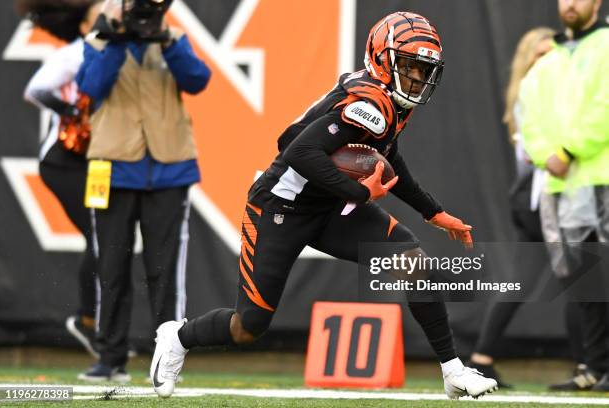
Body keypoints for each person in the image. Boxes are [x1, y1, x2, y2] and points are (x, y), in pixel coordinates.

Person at [150, 11, 498, 400]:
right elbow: (297, 150)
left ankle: (452, 370)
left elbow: (387, 156)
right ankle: (177, 338)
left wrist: (432, 210)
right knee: (249, 326)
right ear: (383, 58)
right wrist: (359, 194)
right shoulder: (372, 103)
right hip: (280, 208)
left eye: (423, 69)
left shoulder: (390, 103)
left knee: (412, 261)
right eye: (410, 66)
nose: (417, 77)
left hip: (329, 207)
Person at [75, 0, 212, 381]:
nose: (140, 15)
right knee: (111, 265)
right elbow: (91, 86)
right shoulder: (98, 40)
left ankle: (168, 357)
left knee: (165, 270)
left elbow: (198, 80)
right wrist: (113, 37)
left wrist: (167, 40)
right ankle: (110, 356)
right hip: (112, 168)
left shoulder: (174, 38)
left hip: (169, 169)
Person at [467, 27, 566, 387]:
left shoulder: (546, 94)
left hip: (539, 199)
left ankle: (481, 357)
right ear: (528, 61)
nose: (547, 62)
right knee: (584, 277)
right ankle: (592, 366)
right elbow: (537, 156)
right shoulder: (531, 99)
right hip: (539, 200)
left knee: (525, 281)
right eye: (539, 56)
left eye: (551, 55)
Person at [519, 0, 609, 391]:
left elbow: (604, 107)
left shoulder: (606, 46)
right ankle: (594, 367)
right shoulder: (548, 62)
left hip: (602, 178)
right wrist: (548, 156)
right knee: (584, 283)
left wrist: (570, 150)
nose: (570, 3)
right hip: (563, 186)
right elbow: (528, 116)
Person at [18, 0, 103, 360]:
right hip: (64, 160)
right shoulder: (75, 54)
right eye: (100, 14)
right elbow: (35, 91)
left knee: (109, 237)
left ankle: (99, 325)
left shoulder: (121, 56)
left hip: (99, 162)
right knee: (99, 234)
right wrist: (72, 113)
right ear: (84, 26)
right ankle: (87, 321)